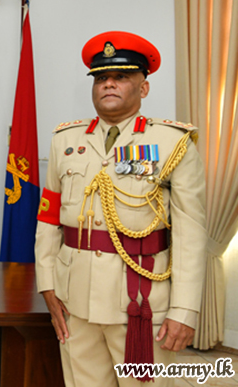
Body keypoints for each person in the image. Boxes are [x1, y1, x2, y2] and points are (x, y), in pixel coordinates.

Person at [34, 31, 207, 386]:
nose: (108, 84)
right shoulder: (65, 141)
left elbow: (190, 234)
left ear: (144, 88)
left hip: (140, 303)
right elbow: (49, 219)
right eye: (101, 78)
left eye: (121, 77)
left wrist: (184, 310)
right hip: (74, 300)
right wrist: (47, 285)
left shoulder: (172, 143)